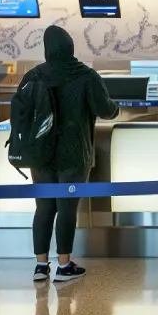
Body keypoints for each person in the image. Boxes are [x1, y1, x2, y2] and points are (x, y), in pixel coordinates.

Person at [27, 25, 120, 282]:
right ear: (70, 47)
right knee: (67, 208)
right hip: (74, 151)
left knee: (44, 208)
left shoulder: (34, 75)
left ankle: (40, 266)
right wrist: (116, 108)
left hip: (40, 152)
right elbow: (105, 109)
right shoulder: (85, 75)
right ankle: (64, 265)